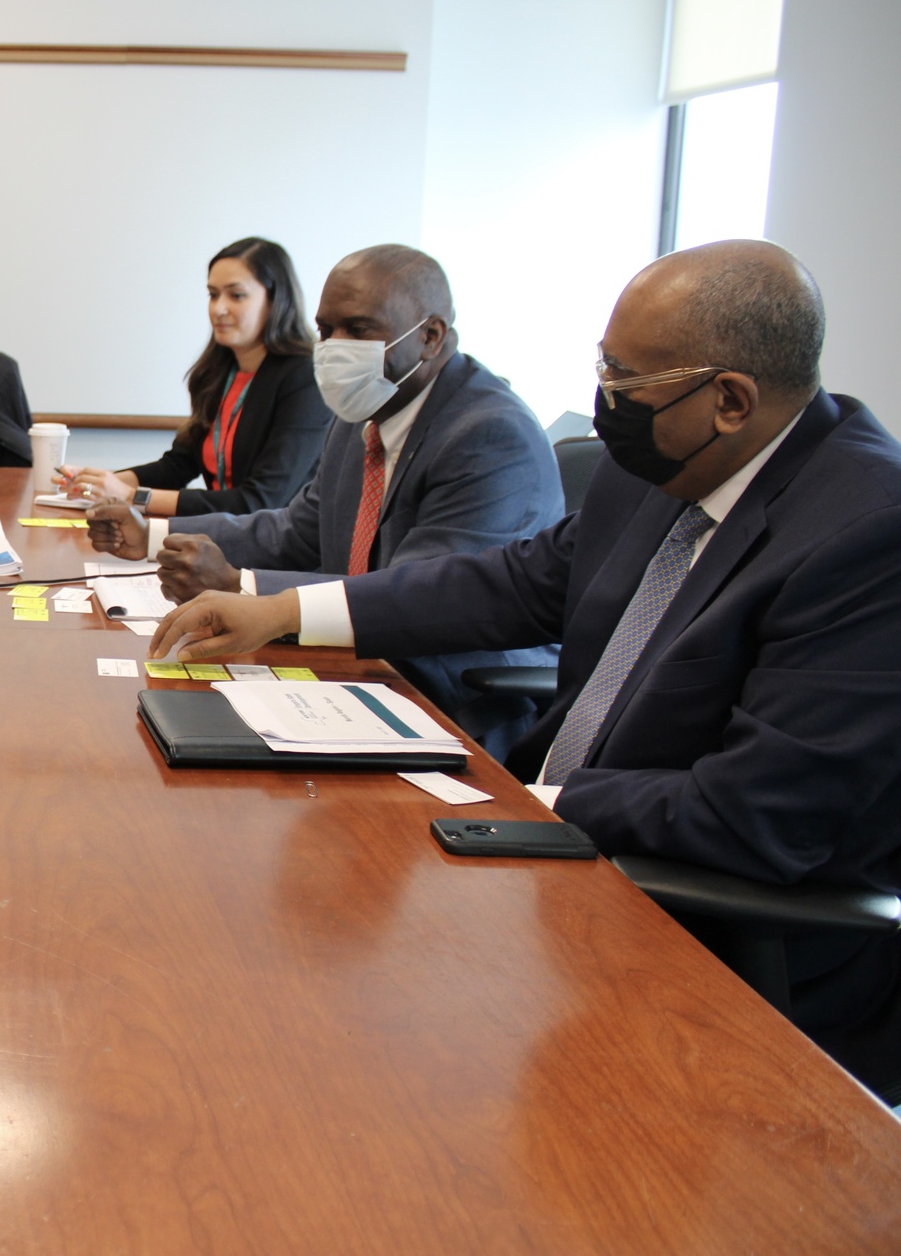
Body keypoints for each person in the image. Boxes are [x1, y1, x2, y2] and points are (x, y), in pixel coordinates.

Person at [147, 240, 901, 1101]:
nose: (601, 405)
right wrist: (284, 612)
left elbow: (757, 816)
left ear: (729, 400)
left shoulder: (868, 533)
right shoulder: (665, 465)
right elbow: (512, 582)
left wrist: (531, 804)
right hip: (558, 863)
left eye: (624, 381)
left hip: (716, 954)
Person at [87, 245, 561, 753]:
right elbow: (298, 528)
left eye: (358, 330)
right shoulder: (364, 411)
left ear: (430, 336)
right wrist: (154, 535)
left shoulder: (488, 434)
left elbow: (421, 597)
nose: (335, 347)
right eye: (326, 329)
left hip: (450, 696)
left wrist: (246, 589)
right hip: (355, 671)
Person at [56, 237, 331, 516]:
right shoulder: (217, 372)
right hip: (223, 538)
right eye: (213, 294)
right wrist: (99, 483)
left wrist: (130, 496)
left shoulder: (305, 377)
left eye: (236, 295)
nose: (218, 309)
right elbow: (179, 465)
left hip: (274, 551)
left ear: (276, 300)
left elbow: (260, 501)